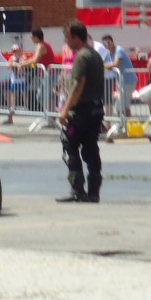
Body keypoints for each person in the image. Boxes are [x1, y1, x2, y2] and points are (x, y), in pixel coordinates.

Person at [56, 20, 104, 203]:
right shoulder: (95, 55)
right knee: (91, 148)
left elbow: (77, 86)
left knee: (69, 144)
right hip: (96, 110)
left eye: (67, 37)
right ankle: (93, 192)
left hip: (82, 111)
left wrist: (65, 110)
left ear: (76, 37)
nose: (66, 41)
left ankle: (77, 190)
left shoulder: (82, 57)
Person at [100, 35, 137, 138]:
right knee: (125, 105)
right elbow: (103, 62)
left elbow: (116, 64)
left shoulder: (118, 50)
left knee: (119, 105)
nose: (107, 45)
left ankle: (124, 126)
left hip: (128, 81)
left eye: (108, 42)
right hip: (120, 81)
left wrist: (102, 66)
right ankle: (129, 126)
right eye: (105, 43)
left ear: (113, 42)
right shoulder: (109, 53)